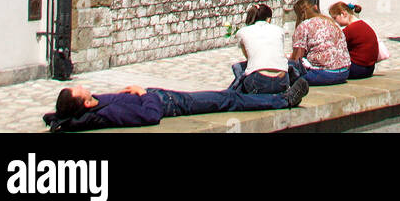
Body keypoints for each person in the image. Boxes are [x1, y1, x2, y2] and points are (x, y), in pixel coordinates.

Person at [43, 75, 308, 130]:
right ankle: (282, 100)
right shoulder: (108, 112)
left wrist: (57, 118)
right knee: (228, 99)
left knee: (227, 97)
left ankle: (276, 98)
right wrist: (142, 92)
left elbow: (60, 117)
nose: (80, 86)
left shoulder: (91, 107)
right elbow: (150, 116)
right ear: (86, 103)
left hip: (167, 96)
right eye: (78, 90)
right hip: (172, 104)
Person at [235, 2, 296, 94]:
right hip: (282, 80)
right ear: (268, 19)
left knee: (238, 68)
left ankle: (237, 94)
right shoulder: (280, 31)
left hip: (258, 80)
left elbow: (248, 57)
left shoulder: (242, 32)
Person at [291, 0, 351, 84]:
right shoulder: (332, 22)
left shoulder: (304, 26)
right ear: (315, 8)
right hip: (344, 73)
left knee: (289, 67)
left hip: (323, 74)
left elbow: (298, 58)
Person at [330, 2, 379, 79]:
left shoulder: (350, 29)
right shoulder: (363, 25)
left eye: (335, 18)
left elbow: (334, 47)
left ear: (343, 14)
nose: (336, 22)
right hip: (369, 69)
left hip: (357, 69)